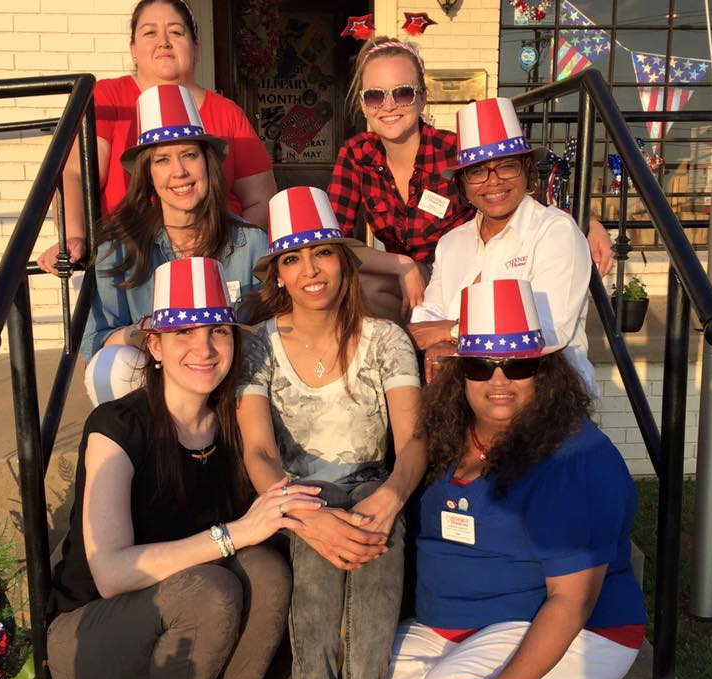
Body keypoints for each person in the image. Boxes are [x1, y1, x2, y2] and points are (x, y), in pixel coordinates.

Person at [48, 257, 325, 679]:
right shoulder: (116, 426)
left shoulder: (236, 425)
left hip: (189, 629)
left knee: (268, 572)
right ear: (154, 345)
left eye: (218, 331)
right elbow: (112, 574)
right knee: (211, 588)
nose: (206, 348)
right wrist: (234, 534)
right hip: (89, 641)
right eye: (184, 333)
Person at [386, 279, 646, 679]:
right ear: (460, 371)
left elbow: (572, 600)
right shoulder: (448, 434)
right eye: (481, 366)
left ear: (545, 370)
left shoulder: (575, 457)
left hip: (581, 630)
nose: (499, 380)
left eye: (517, 366)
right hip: (452, 627)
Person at [236, 186, 428, 679]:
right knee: (317, 543)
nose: (310, 270)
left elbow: (414, 439)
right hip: (292, 493)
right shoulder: (258, 344)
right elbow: (258, 451)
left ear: (343, 260)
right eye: (292, 259)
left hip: (373, 482)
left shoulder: (386, 338)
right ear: (277, 273)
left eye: (322, 252)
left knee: (376, 529)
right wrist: (300, 513)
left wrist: (393, 494)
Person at [328, 36, 613, 321]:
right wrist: (401, 265)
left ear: (423, 97)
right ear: (364, 105)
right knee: (350, 290)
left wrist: (589, 223)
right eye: (375, 96)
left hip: (460, 277)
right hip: (399, 279)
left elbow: (522, 193)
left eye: (403, 93)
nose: (388, 106)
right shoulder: (357, 154)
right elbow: (333, 241)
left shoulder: (456, 151)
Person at [37, 0, 276, 273]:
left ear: (196, 49)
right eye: (150, 33)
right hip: (134, 262)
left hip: (215, 262)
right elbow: (75, 173)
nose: (163, 42)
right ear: (133, 50)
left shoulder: (227, 112)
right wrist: (73, 236)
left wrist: (232, 255)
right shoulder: (110, 99)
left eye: (176, 32)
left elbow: (261, 199)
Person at [81, 84, 269, 406]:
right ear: (148, 174)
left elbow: (270, 327)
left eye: (189, 155)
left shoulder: (249, 241)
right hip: (156, 380)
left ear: (208, 163)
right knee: (109, 367)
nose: (179, 172)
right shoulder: (119, 245)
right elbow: (96, 340)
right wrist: (154, 333)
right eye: (162, 160)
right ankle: (143, 452)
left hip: (231, 379)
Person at [407, 97, 596, 395]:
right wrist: (443, 335)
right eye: (478, 171)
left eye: (506, 167)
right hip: (468, 390)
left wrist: (452, 333)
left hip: (546, 392)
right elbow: (427, 317)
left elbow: (547, 330)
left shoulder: (555, 231)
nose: (493, 182)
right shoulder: (451, 243)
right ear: (463, 184)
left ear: (527, 171)